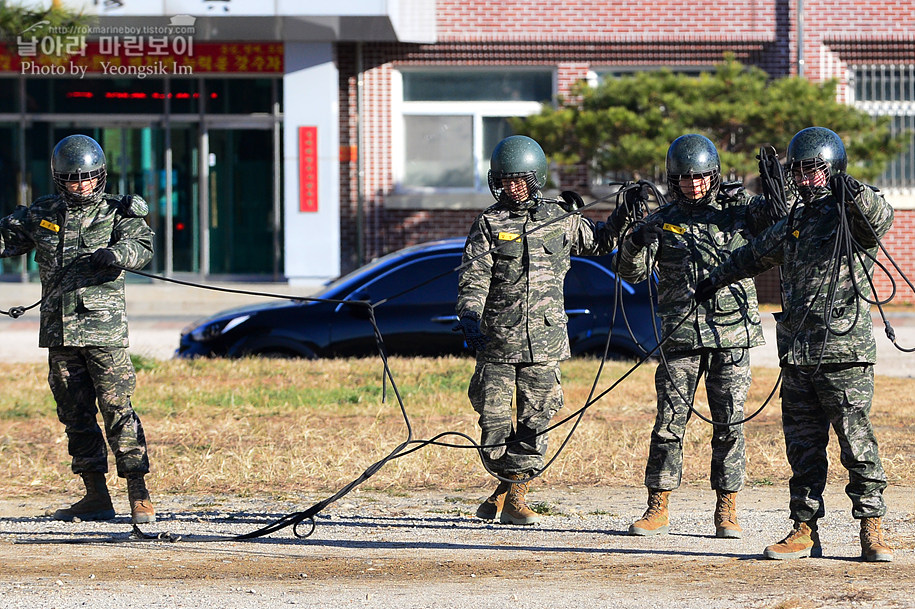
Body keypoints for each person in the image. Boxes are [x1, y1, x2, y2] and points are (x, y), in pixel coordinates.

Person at [696, 127, 895, 562]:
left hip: (843, 351)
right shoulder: (795, 223)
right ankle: (804, 530)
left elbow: (880, 217)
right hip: (799, 354)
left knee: (857, 446)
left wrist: (852, 190)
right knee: (803, 449)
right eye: (799, 173)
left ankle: (872, 530)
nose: (805, 181)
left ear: (834, 170)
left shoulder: (852, 213)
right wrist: (713, 280)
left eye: (814, 172)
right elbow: (753, 255)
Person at [613, 134, 786, 539]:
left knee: (729, 424)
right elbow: (630, 272)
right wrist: (636, 240)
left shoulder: (738, 211)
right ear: (672, 181)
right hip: (680, 337)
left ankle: (726, 509)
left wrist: (768, 187)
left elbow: (780, 217)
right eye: (684, 179)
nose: (693, 186)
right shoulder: (662, 219)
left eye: (701, 178)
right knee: (669, 422)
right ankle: (658, 505)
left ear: (714, 176)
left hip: (732, 334)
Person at [456, 135, 630, 524]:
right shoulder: (488, 222)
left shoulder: (559, 218)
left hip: (545, 340)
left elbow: (600, 243)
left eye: (518, 180)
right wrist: (469, 316)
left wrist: (622, 214)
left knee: (537, 418)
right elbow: (474, 278)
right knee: (493, 422)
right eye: (503, 181)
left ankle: (515, 496)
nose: (511, 188)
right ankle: (505, 483)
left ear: (536, 178)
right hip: (497, 340)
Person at [0, 134, 157, 524]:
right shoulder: (42, 213)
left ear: (100, 176)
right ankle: (95, 496)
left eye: (87, 177)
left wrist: (117, 254)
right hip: (60, 333)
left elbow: (143, 247)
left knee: (118, 410)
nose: (80, 184)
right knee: (74, 414)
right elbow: (6, 239)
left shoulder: (118, 211)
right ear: (59, 179)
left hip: (103, 333)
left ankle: (139, 494)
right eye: (71, 178)